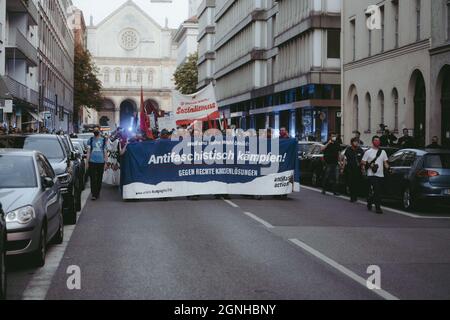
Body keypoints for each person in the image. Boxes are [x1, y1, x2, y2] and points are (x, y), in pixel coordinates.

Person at [361, 136, 390, 214]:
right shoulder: (368, 152)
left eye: (378, 140)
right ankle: (378, 208)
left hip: (381, 174)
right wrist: (367, 168)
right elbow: (363, 162)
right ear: (372, 141)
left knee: (378, 191)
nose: (377, 142)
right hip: (372, 174)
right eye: (375, 140)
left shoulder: (383, 152)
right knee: (377, 190)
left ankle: (370, 200)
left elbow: (385, 162)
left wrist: (388, 168)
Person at [87, 127, 108, 201]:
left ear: (99, 131)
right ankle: (94, 194)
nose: (95, 132)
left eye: (97, 130)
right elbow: (88, 151)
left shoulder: (103, 140)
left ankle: (97, 192)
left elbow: (105, 151)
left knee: (99, 178)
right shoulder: (91, 140)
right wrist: (87, 162)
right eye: (94, 130)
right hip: (92, 161)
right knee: (93, 178)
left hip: (101, 162)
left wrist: (106, 162)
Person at [344, 138, 364, 203]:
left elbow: (363, 159)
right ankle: (352, 197)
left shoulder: (360, 150)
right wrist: (343, 167)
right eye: (355, 142)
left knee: (357, 183)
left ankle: (355, 196)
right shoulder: (348, 150)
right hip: (350, 168)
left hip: (357, 169)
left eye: (357, 142)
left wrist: (362, 167)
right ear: (352, 142)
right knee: (351, 182)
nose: (356, 143)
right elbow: (345, 159)